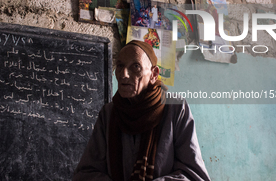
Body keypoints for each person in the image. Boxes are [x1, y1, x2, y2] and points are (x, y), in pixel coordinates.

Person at [73, 40, 211, 181]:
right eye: (120, 66)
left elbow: (194, 175)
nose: (123, 74)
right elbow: (85, 173)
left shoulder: (174, 107)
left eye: (135, 66)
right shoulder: (109, 114)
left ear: (154, 74)